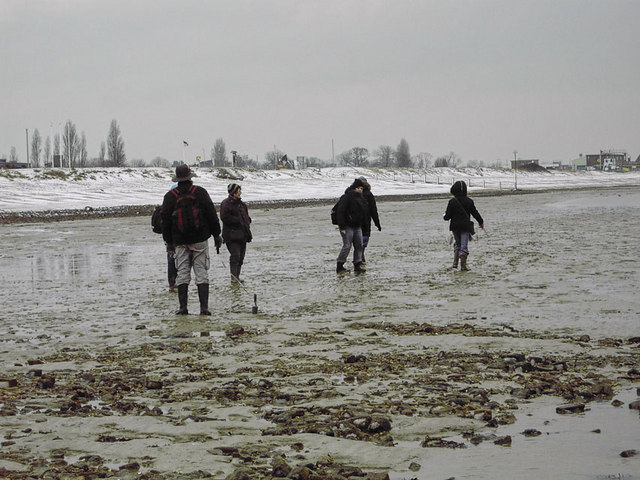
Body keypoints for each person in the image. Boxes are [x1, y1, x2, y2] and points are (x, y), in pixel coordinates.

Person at [161, 165, 222, 315]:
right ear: (190, 177)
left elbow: (165, 222)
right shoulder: (200, 192)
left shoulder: (170, 196)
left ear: (177, 178)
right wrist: (216, 235)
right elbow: (211, 215)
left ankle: (183, 308)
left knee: (182, 273)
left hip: (180, 242)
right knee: (201, 272)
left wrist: (169, 243)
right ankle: (204, 308)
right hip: (200, 239)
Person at [443, 180, 484, 271]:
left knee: (457, 244)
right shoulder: (469, 201)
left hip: (454, 227)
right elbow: (475, 213)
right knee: (464, 246)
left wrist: (444, 215)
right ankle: (463, 265)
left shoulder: (452, 202)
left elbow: (447, 217)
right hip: (465, 227)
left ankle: (454, 264)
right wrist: (481, 222)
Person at [220, 183, 252, 283]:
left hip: (243, 235)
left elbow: (246, 217)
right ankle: (234, 278)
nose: (239, 193)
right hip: (231, 236)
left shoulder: (242, 205)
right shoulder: (226, 203)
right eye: (238, 191)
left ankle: (237, 276)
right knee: (235, 256)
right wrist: (239, 221)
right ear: (233, 192)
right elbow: (224, 217)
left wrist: (247, 221)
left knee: (241, 257)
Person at [335, 178, 367, 275]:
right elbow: (340, 212)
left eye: (362, 188)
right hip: (347, 226)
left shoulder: (361, 198)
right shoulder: (346, 197)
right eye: (359, 188)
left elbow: (364, 213)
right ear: (354, 188)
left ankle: (357, 266)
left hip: (357, 226)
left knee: (359, 246)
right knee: (347, 246)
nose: (360, 190)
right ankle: (340, 266)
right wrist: (342, 226)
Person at [357, 176, 381, 266]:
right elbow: (373, 210)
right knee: (364, 238)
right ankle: (361, 255)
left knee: (357, 239)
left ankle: (359, 256)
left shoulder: (350, 193)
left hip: (355, 220)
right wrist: (377, 223)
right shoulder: (368, 194)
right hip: (365, 220)